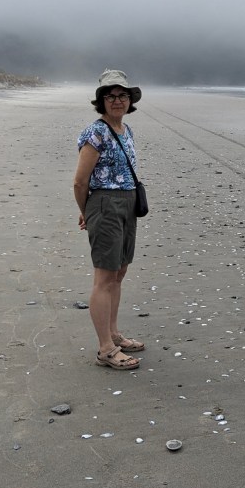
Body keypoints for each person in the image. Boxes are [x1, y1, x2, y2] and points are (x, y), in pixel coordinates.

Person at [73, 69, 146, 370]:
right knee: (104, 277)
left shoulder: (126, 130)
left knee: (119, 272)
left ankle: (114, 334)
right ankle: (105, 349)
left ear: (130, 100)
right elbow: (80, 181)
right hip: (104, 204)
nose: (117, 100)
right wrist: (87, 211)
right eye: (110, 96)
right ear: (101, 101)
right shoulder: (96, 132)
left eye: (122, 95)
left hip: (127, 204)